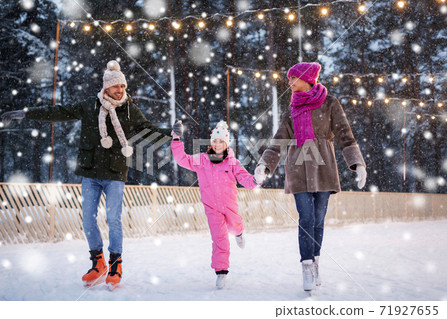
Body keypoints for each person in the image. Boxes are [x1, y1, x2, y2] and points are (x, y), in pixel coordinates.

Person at [1, 60, 171, 288]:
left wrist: (172, 133)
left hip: (114, 173)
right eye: (115, 86)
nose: (120, 90)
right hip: (90, 172)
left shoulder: (130, 109)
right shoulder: (90, 105)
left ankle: (115, 265)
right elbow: (58, 112)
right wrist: (25, 113)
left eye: (122, 86)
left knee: (113, 219)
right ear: (106, 87)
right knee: (88, 219)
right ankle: (97, 263)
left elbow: (149, 130)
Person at [254, 62, 367, 291]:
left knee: (317, 220)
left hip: (324, 168)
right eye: (288, 79)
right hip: (298, 168)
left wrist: (357, 163)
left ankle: (315, 261)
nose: (289, 82)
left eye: (292, 78)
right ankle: (306, 266)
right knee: (306, 219)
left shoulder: (330, 103)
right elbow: (279, 141)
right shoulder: (291, 109)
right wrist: (264, 165)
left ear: (307, 78)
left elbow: (345, 135)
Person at [171, 120, 260, 289]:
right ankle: (221, 271)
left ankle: (239, 233)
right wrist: (176, 139)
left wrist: (256, 180)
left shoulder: (232, 162)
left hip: (229, 206)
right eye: (215, 141)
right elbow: (182, 159)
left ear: (226, 143)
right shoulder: (202, 160)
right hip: (212, 208)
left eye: (221, 141)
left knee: (234, 227)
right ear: (211, 143)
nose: (217, 144)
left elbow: (245, 179)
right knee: (219, 238)